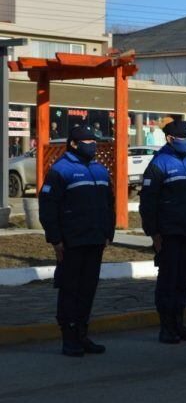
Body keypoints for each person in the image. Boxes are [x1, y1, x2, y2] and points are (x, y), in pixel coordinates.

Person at [39, 125, 114, 357]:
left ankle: (82, 334)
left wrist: (107, 232)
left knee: (87, 289)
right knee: (70, 289)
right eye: (88, 141)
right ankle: (69, 338)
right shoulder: (60, 170)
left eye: (94, 141)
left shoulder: (99, 170)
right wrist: (56, 239)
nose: (92, 144)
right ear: (73, 144)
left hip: (94, 239)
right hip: (71, 242)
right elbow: (48, 208)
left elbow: (108, 203)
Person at [139, 119, 186, 344]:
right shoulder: (159, 164)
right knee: (168, 282)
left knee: (183, 281)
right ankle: (166, 327)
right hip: (169, 233)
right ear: (170, 139)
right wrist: (154, 233)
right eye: (183, 138)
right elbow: (148, 202)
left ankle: (179, 323)